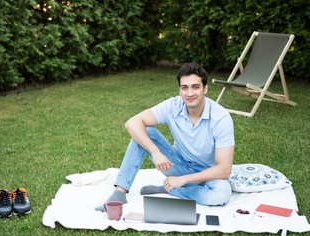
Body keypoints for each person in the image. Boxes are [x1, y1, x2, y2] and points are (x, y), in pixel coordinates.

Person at [95, 62, 234, 211]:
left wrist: (182, 180)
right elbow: (132, 123)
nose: (189, 93)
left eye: (195, 87)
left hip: (208, 175)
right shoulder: (173, 106)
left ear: (205, 89)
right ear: (180, 90)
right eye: (184, 88)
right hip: (177, 165)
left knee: (222, 194)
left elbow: (224, 170)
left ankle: (171, 189)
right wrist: (155, 152)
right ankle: (119, 193)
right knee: (145, 131)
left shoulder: (221, 118)